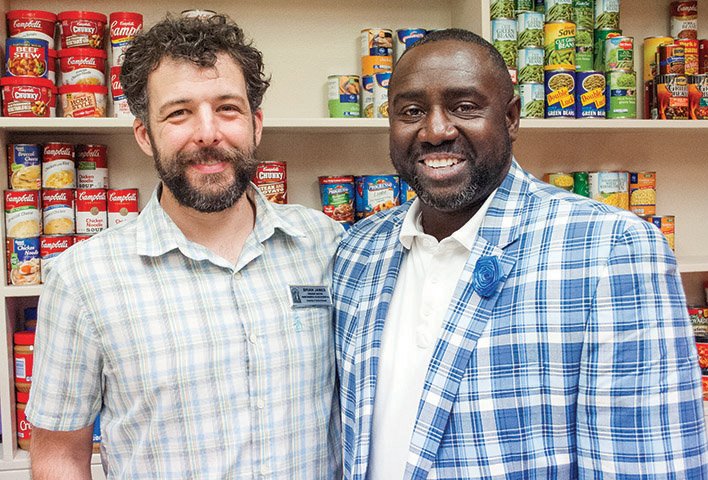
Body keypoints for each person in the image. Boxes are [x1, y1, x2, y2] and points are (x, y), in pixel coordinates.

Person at [333, 29, 708, 479]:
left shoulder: (610, 247)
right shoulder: (358, 249)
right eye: (411, 111)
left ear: (511, 118)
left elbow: (646, 463)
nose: (435, 130)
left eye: (464, 107)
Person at [26, 14, 342, 479]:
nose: (208, 132)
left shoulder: (326, 244)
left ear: (256, 124)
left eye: (228, 109)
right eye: (179, 112)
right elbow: (58, 455)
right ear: (144, 135)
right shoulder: (81, 279)